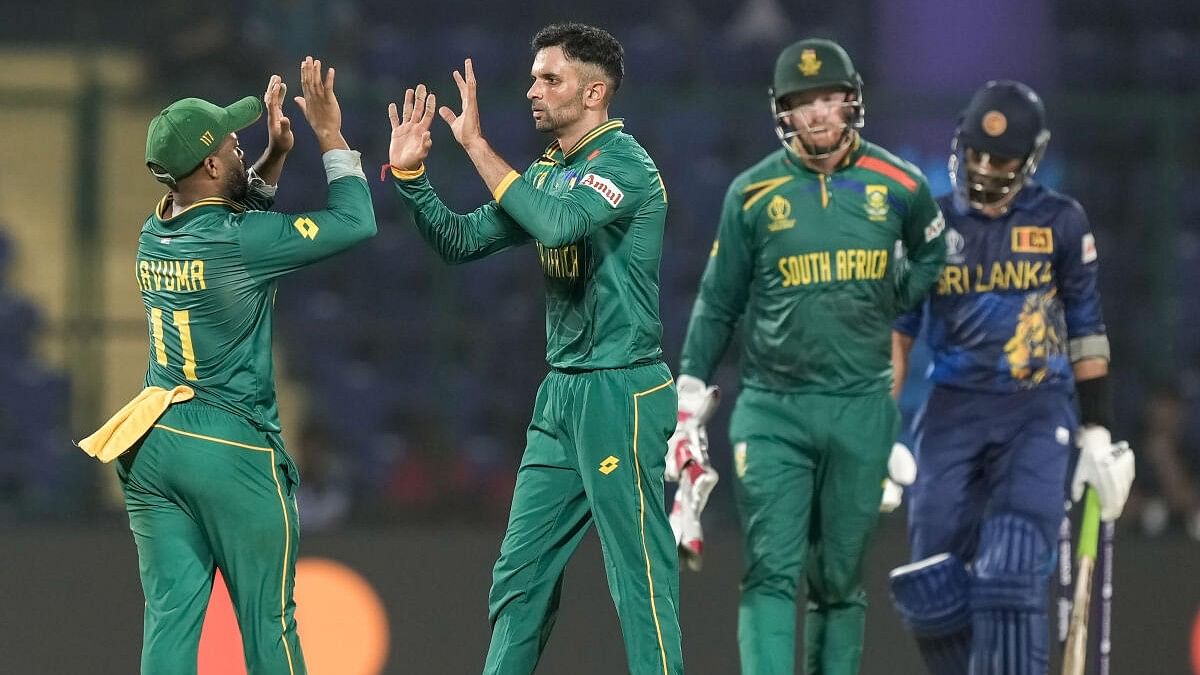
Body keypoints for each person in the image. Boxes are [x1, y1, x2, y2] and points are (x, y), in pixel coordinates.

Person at [385, 23, 681, 675]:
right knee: (519, 579)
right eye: (533, 77)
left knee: (638, 578)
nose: (532, 91)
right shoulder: (553, 169)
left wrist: (476, 147)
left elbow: (557, 222)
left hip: (622, 389)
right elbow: (460, 242)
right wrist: (411, 177)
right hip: (564, 395)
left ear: (595, 92)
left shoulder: (624, 165)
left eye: (551, 78)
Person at [78, 57, 377, 674]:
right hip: (229, 448)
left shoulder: (153, 232)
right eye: (234, 143)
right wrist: (327, 134)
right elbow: (356, 222)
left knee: (171, 620)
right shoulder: (242, 241)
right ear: (211, 166)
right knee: (269, 623)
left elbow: (228, 219)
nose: (243, 145)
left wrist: (271, 158)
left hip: (153, 441)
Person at [673, 38, 946, 674]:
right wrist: (690, 386)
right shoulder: (751, 194)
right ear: (782, 113)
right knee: (770, 568)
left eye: (828, 99)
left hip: (861, 406)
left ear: (852, 102)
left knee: (840, 581)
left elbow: (933, 254)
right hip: (774, 410)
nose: (818, 114)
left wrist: (893, 300)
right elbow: (718, 302)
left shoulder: (901, 185)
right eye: (803, 103)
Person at [887, 80, 1135, 675]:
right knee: (929, 589)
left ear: (1030, 159)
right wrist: (875, 428)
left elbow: (1087, 330)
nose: (985, 168)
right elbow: (896, 335)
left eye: (1000, 158)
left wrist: (1097, 429)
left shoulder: (1061, 222)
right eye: (976, 153)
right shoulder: (928, 227)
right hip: (951, 410)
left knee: (1012, 568)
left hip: (1035, 409)